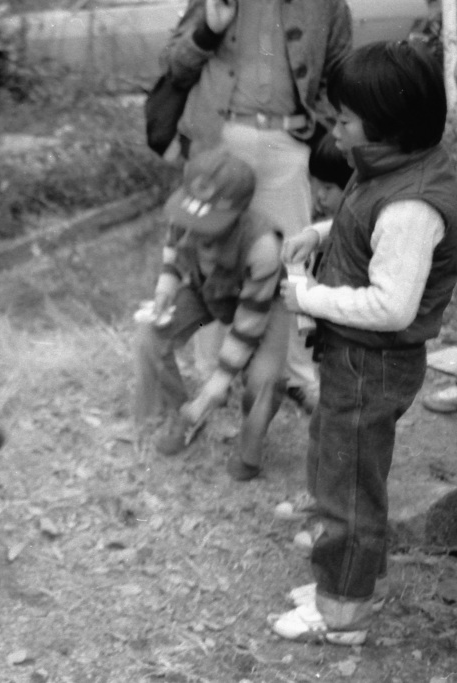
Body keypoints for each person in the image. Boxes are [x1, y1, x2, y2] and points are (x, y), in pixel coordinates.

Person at [271, 39, 457, 644]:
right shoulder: (394, 168)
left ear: (386, 130)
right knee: (338, 465)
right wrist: (325, 232)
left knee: (349, 487)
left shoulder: (409, 206)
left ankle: (342, 611)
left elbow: (391, 304)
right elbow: (371, 228)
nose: (335, 127)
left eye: (345, 119)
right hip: (355, 358)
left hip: (370, 360)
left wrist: (307, 298)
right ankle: (354, 583)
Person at [159, 0, 353, 414]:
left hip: (288, 143)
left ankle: (298, 376)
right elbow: (175, 65)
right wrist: (208, 30)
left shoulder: (329, 4)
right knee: (209, 254)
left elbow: (340, 71)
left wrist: (318, 126)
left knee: (293, 260)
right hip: (222, 139)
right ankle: (211, 374)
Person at [134, 147, 289, 481]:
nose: (193, 230)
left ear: (238, 214)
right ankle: (186, 417)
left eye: (207, 223)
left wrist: (219, 380)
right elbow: (173, 256)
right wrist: (164, 290)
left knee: (263, 381)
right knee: (151, 335)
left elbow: (249, 323)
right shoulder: (184, 216)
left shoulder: (262, 247)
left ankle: (250, 449)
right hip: (208, 289)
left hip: (262, 304)